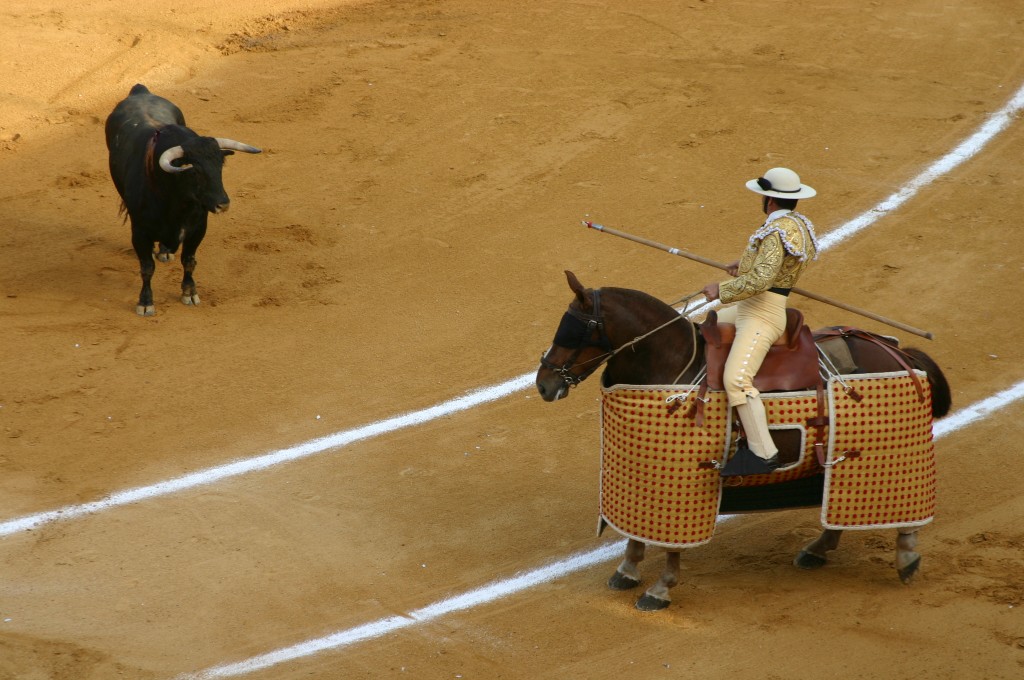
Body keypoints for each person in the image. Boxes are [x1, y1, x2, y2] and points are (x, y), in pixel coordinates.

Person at [701, 167, 819, 476]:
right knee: (706, 325)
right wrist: (744, 266)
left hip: (762, 313)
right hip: (752, 307)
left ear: (768, 199)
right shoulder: (793, 225)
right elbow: (774, 267)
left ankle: (764, 453)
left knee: (736, 380)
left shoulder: (777, 230)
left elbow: (763, 279)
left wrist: (721, 288)